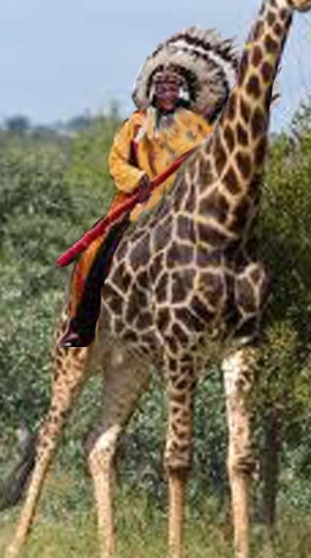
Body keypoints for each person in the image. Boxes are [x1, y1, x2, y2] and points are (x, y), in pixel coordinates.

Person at [59, 27, 238, 348]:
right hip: (138, 204)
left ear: (181, 89)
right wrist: (137, 179)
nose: (167, 91)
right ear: (152, 89)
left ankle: (228, 319)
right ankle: (81, 325)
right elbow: (116, 162)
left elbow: (211, 160)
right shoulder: (135, 124)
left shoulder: (196, 126)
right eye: (161, 86)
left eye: (172, 86)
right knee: (92, 255)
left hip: (183, 205)